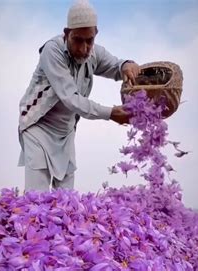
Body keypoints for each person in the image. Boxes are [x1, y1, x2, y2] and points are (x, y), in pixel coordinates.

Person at [18, 0, 140, 191]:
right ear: (67, 34)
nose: (84, 48)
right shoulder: (53, 51)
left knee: (66, 199)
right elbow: (71, 99)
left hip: (66, 132)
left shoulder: (93, 53)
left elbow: (116, 66)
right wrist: (111, 113)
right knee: (37, 197)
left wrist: (127, 64)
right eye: (77, 40)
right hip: (39, 127)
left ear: (95, 35)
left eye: (89, 41)